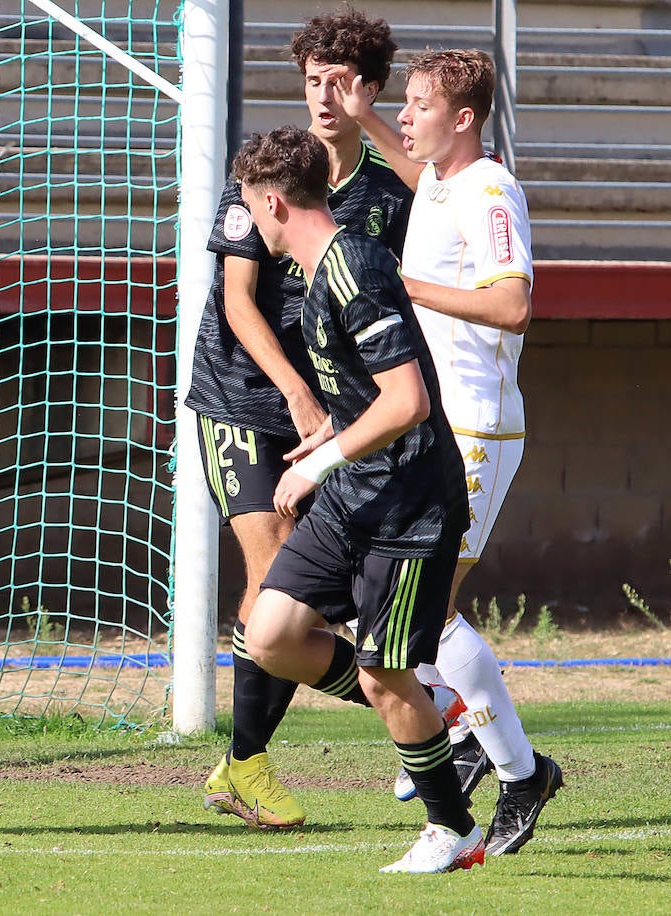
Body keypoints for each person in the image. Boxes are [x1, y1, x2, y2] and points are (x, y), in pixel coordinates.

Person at [188, 8, 419, 829]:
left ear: (371, 88)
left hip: (337, 417)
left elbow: (452, 193)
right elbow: (237, 303)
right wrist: (295, 392)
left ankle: (258, 760)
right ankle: (395, 719)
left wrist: (377, 129)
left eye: (342, 82)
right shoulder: (267, 170)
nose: (324, 96)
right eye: (313, 79)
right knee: (275, 573)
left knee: (323, 598)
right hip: (243, 400)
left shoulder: (389, 193)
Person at [333, 48, 563, 855]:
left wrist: (403, 287)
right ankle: (485, 747)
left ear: (463, 119)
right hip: (432, 424)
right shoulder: (442, 177)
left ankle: (512, 767)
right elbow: (419, 171)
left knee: (425, 615)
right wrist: (362, 118)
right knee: (402, 609)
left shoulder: (490, 187)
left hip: (475, 426)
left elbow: (513, 304)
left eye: (419, 103)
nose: (405, 114)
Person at [234, 125, 482, 873]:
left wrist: (323, 460)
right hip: (356, 494)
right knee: (272, 633)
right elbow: (373, 393)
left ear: (273, 202)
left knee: (382, 673)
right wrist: (333, 438)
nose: (249, 223)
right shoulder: (327, 271)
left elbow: (406, 401)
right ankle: (432, 716)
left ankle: (453, 830)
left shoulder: (352, 272)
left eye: (250, 209)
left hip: (409, 507)